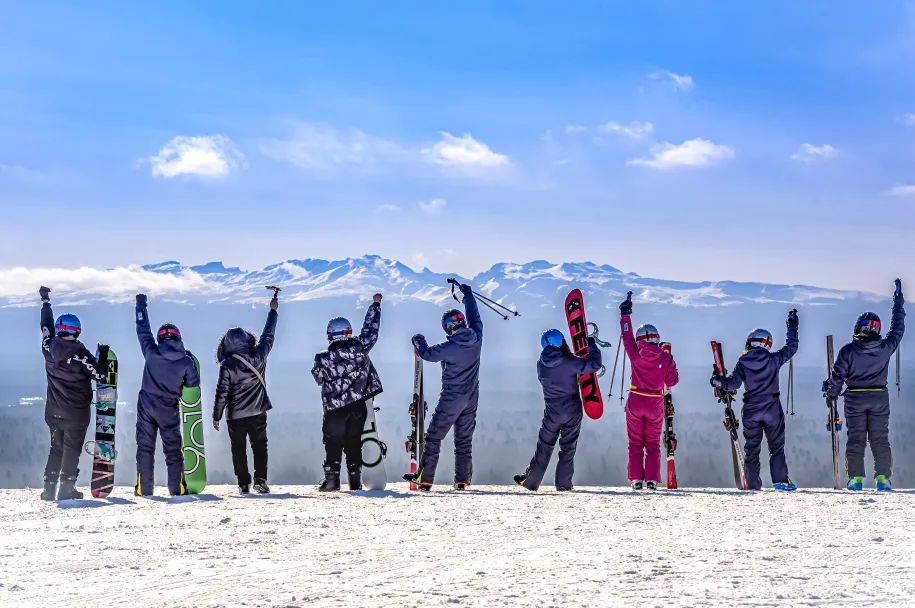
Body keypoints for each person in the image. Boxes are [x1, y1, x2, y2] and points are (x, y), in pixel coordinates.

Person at [824, 279, 905, 492]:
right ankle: (882, 479)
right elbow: (898, 327)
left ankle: (856, 479)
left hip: (854, 398)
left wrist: (831, 394)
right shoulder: (886, 347)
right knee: (880, 439)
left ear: (858, 328)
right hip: (879, 397)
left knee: (856, 440)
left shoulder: (847, 351)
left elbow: (837, 377)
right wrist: (898, 301)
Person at [404, 281, 483, 491]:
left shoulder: (449, 347)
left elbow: (427, 354)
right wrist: (468, 295)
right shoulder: (477, 337)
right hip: (471, 396)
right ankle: (462, 480)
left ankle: (426, 478)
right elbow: (475, 317)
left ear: (447, 327)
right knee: (463, 440)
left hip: (451, 398)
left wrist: (417, 339)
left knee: (434, 436)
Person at [711, 311, 800, 491]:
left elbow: (732, 385)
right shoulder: (774, 359)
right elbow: (791, 348)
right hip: (772, 408)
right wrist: (792, 327)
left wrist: (716, 380)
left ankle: (752, 484)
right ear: (767, 343)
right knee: (776, 447)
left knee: (752, 449)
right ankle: (780, 481)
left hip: (751, 409)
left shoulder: (742, 362)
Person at [37, 286, 110, 501]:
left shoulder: (48, 347)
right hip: (76, 415)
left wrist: (45, 302)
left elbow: (45, 327)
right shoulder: (80, 354)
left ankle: (49, 490)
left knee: (56, 449)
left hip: (52, 411)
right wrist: (104, 354)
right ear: (77, 331)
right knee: (71, 450)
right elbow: (100, 375)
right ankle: (66, 489)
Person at [514, 329, 602, 491]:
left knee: (544, 446)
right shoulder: (570, 362)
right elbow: (594, 364)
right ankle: (563, 484)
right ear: (561, 342)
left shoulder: (541, 364)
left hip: (552, 411)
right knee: (568, 447)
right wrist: (591, 344)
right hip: (572, 409)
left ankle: (531, 481)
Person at [312, 294, 383, 492]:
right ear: (349, 332)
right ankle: (355, 481)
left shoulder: (322, 359)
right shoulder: (360, 349)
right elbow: (371, 332)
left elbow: (318, 378)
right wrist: (375, 306)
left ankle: (332, 482)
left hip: (334, 409)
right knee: (354, 442)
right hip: (357, 405)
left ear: (330, 335)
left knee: (332, 442)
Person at [213, 291, 279, 494]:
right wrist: (273, 312)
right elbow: (268, 336)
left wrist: (216, 416)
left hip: (235, 416)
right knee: (260, 446)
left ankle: (243, 483)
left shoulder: (227, 365)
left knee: (238, 450)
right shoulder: (258, 356)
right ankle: (260, 480)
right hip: (258, 411)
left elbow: (222, 392)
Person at [134, 293, 200, 497]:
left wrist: (140, 305)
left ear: (160, 338)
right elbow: (193, 385)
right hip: (169, 408)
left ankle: (144, 489)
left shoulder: (151, 352)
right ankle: (177, 488)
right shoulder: (186, 362)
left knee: (145, 448)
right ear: (179, 339)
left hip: (146, 404)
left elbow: (142, 330)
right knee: (172, 450)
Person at [619, 295, 678, 490]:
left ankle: (636, 480)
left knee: (635, 443)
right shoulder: (666, 357)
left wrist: (625, 315)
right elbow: (672, 381)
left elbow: (626, 337)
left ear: (641, 339)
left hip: (635, 400)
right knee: (652, 444)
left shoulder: (635, 354)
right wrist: (669, 363)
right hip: (655, 402)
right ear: (657, 338)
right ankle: (651, 480)